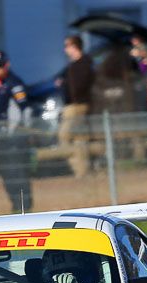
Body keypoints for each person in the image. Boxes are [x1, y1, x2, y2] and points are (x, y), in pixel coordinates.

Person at [0, 50, 33, 212]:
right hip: (1, 140)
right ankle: (15, 207)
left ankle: (24, 208)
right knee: (7, 176)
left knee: (17, 175)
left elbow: (25, 110)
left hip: (13, 140)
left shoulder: (14, 83)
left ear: (6, 64)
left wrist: (19, 133)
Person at [57, 35, 94, 179]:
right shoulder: (72, 66)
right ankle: (81, 170)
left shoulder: (83, 64)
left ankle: (82, 171)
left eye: (67, 46)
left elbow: (82, 86)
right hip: (71, 106)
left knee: (67, 136)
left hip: (77, 106)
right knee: (77, 139)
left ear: (74, 46)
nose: (65, 49)